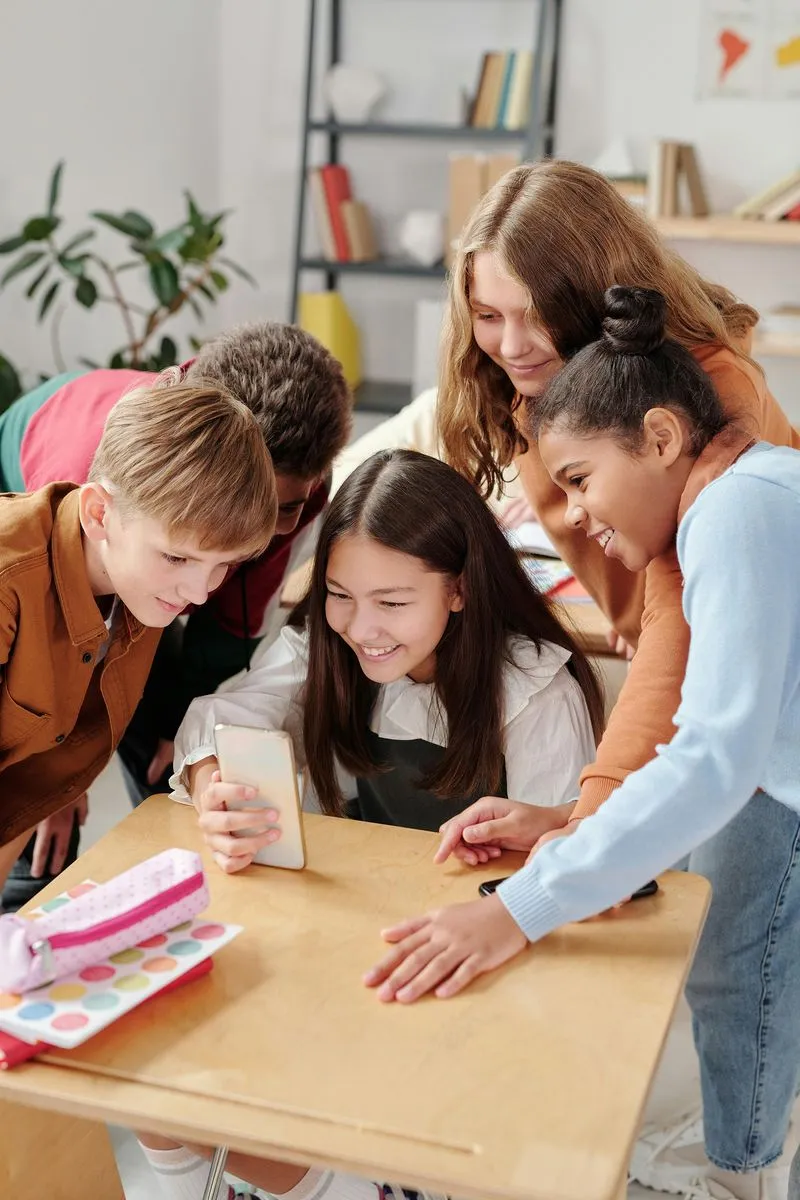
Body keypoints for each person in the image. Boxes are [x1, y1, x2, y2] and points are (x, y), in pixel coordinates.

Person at [365, 286, 800, 1200]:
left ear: (661, 438)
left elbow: (716, 758)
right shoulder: (742, 500)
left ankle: (738, 1182)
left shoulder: (738, 513)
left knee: (738, 975)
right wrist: (570, 817)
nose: (578, 518)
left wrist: (517, 910)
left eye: (579, 480)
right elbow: (738, 744)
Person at [137, 448, 603, 1200]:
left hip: (472, 982)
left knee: (248, 1139)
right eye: (340, 594)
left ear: (458, 590)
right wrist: (212, 781)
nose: (361, 626)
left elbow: (562, 878)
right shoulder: (326, 650)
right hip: (345, 948)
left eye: (392, 602)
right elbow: (221, 717)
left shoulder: (535, 689)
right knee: (160, 1101)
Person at [0, 321, 351, 911]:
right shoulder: (99, 499)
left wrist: (164, 748)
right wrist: (50, 785)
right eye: (182, 556)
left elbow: (230, 621)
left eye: (230, 558)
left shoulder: (152, 583)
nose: (201, 591)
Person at [0, 375, 277, 898]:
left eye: (223, 566)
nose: (199, 593)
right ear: (99, 513)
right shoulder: (9, 581)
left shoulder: (138, 586)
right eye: (177, 557)